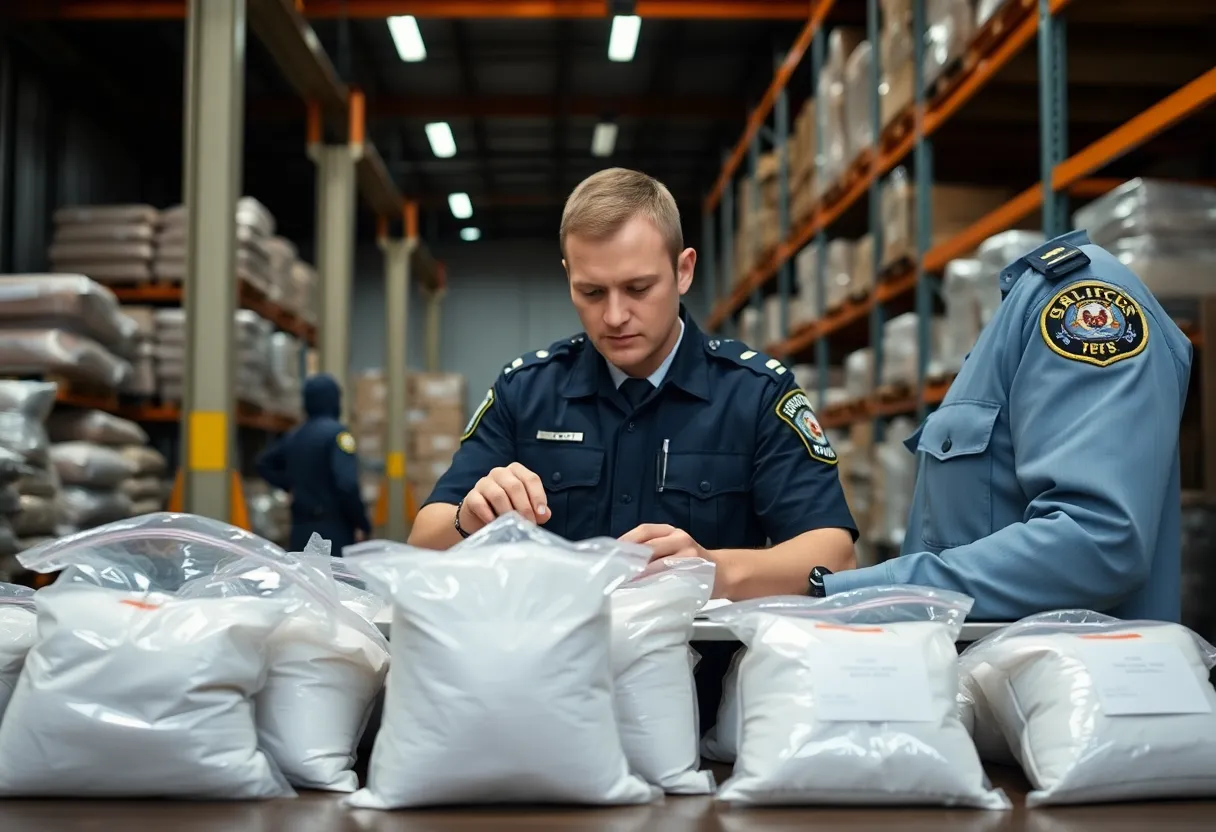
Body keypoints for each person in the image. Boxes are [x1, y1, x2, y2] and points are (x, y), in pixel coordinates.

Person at [409, 166, 858, 597]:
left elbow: (835, 555)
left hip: (700, 670)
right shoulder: (526, 391)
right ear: (569, 277)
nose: (615, 316)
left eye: (639, 288)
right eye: (592, 292)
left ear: (683, 271)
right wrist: (468, 520)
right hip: (553, 667)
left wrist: (713, 570)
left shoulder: (755, 394)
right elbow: (422, 542)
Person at [821, 230, 1192, 623]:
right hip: (995, 676)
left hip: (1066, 680)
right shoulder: (1018, 310)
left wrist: (864, 596)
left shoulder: (1080, 297)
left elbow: (1095, 542)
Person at [256, 373, 371, 553]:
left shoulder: (295, 436)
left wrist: (291, 485)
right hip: (333, 532)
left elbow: (264, 464)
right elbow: (347, 484)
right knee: (334, 581)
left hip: (300, 530)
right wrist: (361, 522)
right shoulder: (338, 435)